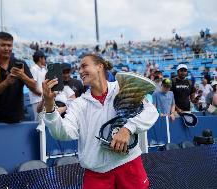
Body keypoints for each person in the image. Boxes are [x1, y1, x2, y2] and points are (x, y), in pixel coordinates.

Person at [42, 54, 159, 188]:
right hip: (96, 173)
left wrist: (128, 129)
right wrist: (50, 106)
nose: (80, 71)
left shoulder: (122, 88)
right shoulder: (78, 104)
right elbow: (63, 133)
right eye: (79, 69)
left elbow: (151, 112)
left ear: (99, 66)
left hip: (129, 165)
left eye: (84, 66)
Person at [0, 32, 37, 123]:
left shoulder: (21, 64)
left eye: (9, 45)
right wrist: (6, 82)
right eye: (3, 45)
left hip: (16, 119)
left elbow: (33, 86)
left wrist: (22, 75)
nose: (6, 48)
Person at [28, 50, 47, 121]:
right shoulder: (34, 69)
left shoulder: (43, 69)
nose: (45, 60)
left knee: (44, 120)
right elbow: (33, 86)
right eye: (44, 58)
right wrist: (42, 95)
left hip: (43, 98)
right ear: (40, 59)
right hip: (37, 100)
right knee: (39, 120)